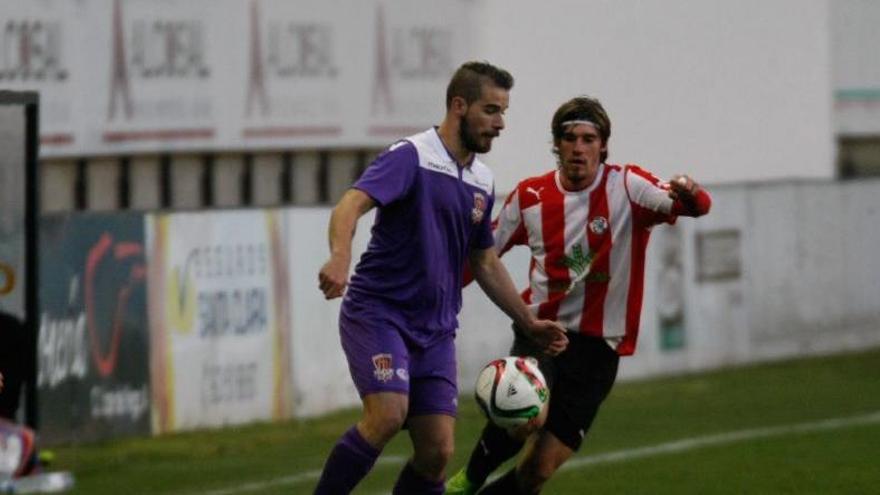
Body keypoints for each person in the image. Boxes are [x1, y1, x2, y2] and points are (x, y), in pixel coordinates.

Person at [313, 61, 569, 495]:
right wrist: (340, 256)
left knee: (437, 452)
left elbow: (485, 261)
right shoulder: (412, 156)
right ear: (458, 106)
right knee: (389, 414)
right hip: (380, 314)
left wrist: (528, 323)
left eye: (503, 112)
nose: (500, 123)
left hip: (435, 332)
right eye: (491, 110)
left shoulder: (481, 181)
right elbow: (351, 204)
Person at [446, 96, 712, 495]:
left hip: (599, 350)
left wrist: (689, 191)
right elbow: (481, 257)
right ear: (557, 145)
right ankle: (467, 481)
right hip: (542, 332)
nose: (578, 147)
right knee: (526, 417)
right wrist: (437, 292)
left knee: (537, 470)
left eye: (589, 138)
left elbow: (694, 207)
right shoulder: (530, 197)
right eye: (569, 138)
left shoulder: (627, 186)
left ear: (603, 145)